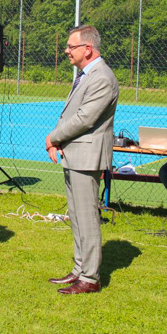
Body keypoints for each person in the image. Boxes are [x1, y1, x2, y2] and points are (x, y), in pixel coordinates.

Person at [44, 25, 118, 295]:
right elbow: (73, 115)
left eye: (71, 46)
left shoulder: (101, 77)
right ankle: (79, 268)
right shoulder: (87, 75)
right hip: (75, 154)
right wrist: (59, 140)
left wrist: (53, 137)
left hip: (87, 157)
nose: (66, 51)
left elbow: (85, 118)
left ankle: (90, 277)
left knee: (87, 217)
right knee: (75, 215)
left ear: (87, 49)